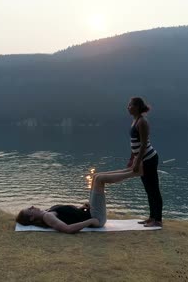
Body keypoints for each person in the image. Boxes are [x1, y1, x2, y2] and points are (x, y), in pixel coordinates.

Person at [16, 167, 140, 234]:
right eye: (30, 210)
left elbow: (68, 216)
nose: (32, 206)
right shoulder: (47, 217)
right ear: (32, 218)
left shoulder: (47, 212)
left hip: (90, 212)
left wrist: (81, 208)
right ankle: (135, 173)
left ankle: (132, 169)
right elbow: (67, 229)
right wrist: (90, 221)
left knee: (96, 177)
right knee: (100, 179)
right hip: (96, 218)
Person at [127, 96, 163, 227]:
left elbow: (143, 145)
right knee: (148, 190)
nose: (128, 107)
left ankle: (158, 220)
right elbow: (134, 143)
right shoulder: (135, 120)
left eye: (130, 105)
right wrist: (132, 159)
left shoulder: (142, 122)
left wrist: (137, 162)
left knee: (154, 189)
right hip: (142, 159)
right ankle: (151, 217)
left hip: (149, 159)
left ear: (137, 107)